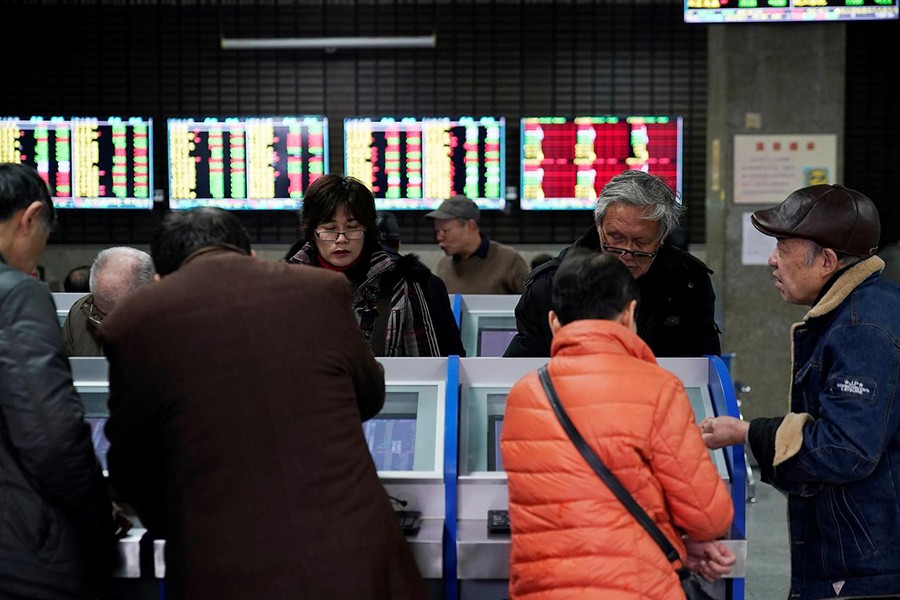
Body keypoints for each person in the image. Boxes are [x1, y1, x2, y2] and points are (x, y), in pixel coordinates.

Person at [99, 207, 429, 600]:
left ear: (160, 278)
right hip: (353, 552)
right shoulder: (320, 290)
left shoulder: (135, 320)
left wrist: (173, 524)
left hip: (226, 565)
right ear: (250, 254)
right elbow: (369, 396)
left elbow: (131, 466)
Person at [701, 184, 900, 599]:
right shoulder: (861, 310)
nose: (772, 261)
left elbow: (843, 450)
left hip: (867, 569)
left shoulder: (862, 329)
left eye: (783, 248)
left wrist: (746, 433)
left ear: (826, 260)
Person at [501, 250, 735, 599]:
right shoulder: (658, 387)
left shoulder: (523, 395)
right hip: (637, 586)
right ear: (629, 315)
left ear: (553, 322)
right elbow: (707, 515)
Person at [0, 163, 112, 599]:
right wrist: (98, 515)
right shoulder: (16, 294)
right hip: (18, 549)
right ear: (30, 217)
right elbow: (49, 435)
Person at [504, 169, 721, 358]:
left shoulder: (689, 281)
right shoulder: (551, 284)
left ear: (662, 237)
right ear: (599, 226)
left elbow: (703, 372)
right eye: (616, 238)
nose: (627, 252)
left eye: (641, 242)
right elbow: (522, 369)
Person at [288, 174, 464, 357]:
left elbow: (434, 370)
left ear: (367, 229)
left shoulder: (405, 283)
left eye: (352, 227)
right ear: (312, 231)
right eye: (330, 229)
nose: (341, 239)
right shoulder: (287, 284)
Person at [425, 194, 530, 294]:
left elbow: (531, 305)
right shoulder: (443, 265)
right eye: (437, 231)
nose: (439, 237)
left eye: (445, 230)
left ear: (470, 226)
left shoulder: (509, 260)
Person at [62, 246, 155, 356]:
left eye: (120, 313)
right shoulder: (79, 314)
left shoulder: (172, 321)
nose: (110, 322)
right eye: (100, 311)